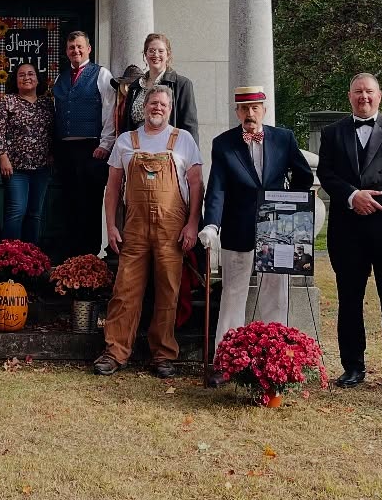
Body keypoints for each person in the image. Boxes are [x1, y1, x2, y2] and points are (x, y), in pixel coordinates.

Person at [199, 86, 316, 374]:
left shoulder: (284, 138)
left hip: (278, 229)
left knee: (276, 294)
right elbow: (217, 188)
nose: (249, 114)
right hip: (237, 228)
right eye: (244, 109)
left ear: (263, 109)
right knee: (233, 293)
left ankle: (277, 360)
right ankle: (225, 361)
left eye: (255, 108)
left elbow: (302, 174)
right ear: (237, 112)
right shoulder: (223, 144)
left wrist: (293, 205)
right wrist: (211, 224)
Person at [316, 72, 382, 392]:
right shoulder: (332, 133)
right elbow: (326, 173)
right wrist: (352, 196)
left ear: (380, 95)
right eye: (358, 92)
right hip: (348, 230)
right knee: (349, 300)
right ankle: (352, 366)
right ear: (350, 96)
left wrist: (371, 199)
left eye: (369, 92)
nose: (364, 97)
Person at [93, 86, 204, 379]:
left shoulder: (184, 140)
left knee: (169, 290)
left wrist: (193, 224)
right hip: (135, 227)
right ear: (144, 108)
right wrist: (111, 226)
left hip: (173, 229)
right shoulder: (125, 141)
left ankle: (163, 354)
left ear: (170, 109)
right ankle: (115, 351)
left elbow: (196, 186)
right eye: (153, 103)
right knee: (125, 289)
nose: (158, 108)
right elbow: (113, 188)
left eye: (163, 105)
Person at [52, 30, 116, 258]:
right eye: (71, 48)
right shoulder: (61, 78)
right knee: (69, 202)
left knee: (89, 203)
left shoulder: (101, 74)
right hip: (65, 150)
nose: (75, 51)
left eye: (80, 47)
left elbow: (110, 111)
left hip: (92, 148)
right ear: (66, 51)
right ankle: (71, 257)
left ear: (89, 49)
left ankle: (89, 257)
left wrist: (106, 143)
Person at [0, 61, 55, 244]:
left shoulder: (46, 103)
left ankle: (31, 258)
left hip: (41, 168)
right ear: (15, 80)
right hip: (15, 168)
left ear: (37, 78)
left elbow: (52, 131)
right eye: (21, 75)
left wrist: (51, 153)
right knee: (16, 211)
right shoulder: (7, 102)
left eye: (31, 74)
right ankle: (9, 257)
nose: (27, 77)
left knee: (35, 213)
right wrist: (2, 157)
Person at [115, 33, 199, 145]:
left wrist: (192, 157)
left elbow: (189, 126)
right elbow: (126, 124)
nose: (156, 55)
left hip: (167, 150)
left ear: (168, 54)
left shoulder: (182, 84)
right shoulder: (135, 86)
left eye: (161, 51)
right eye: (151, 51)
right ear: (145, 54)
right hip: (137, 150)